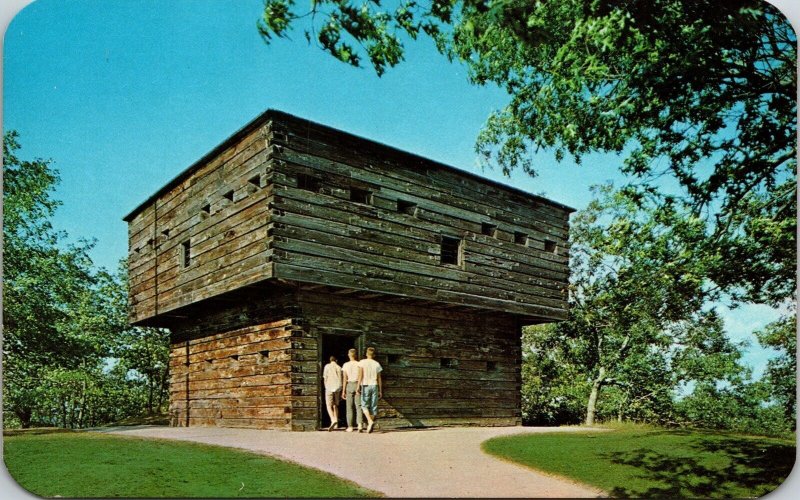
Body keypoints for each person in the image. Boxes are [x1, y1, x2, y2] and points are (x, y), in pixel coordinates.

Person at [358, 346, 383, 433]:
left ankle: (370, 420)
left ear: (366, 354)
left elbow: (360, 375)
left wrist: (358, 386)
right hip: (374, 385)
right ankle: (369, 425)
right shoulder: (377, 364)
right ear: (374, 355)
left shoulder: (362, 362)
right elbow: (379, 378)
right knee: (373, 406)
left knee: (364, 405)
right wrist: (380, 390)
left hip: (365, 385)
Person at [341, 348, 363, 433]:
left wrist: (343, 391)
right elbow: (361, 376)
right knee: (358, 406)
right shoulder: (359, 364)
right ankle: (360, 424)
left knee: (349, 407)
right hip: (357, 383)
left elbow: (344, 379)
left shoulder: (345, 365)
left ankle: (350, 426)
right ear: (356, 355)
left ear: (349, 355)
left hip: (349, 384)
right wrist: (358, 386)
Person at [323, 355, 342, 431]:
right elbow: (340, 378)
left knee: (328, 405)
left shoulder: (327, 366)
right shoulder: (339, 367)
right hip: (337, 387)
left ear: (330, 360)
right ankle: (336, 423)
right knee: (335, 405)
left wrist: (325, 386)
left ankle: (332, 419)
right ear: (336, 360)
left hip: (329, 387)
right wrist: (340, 389)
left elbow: (325, 377)